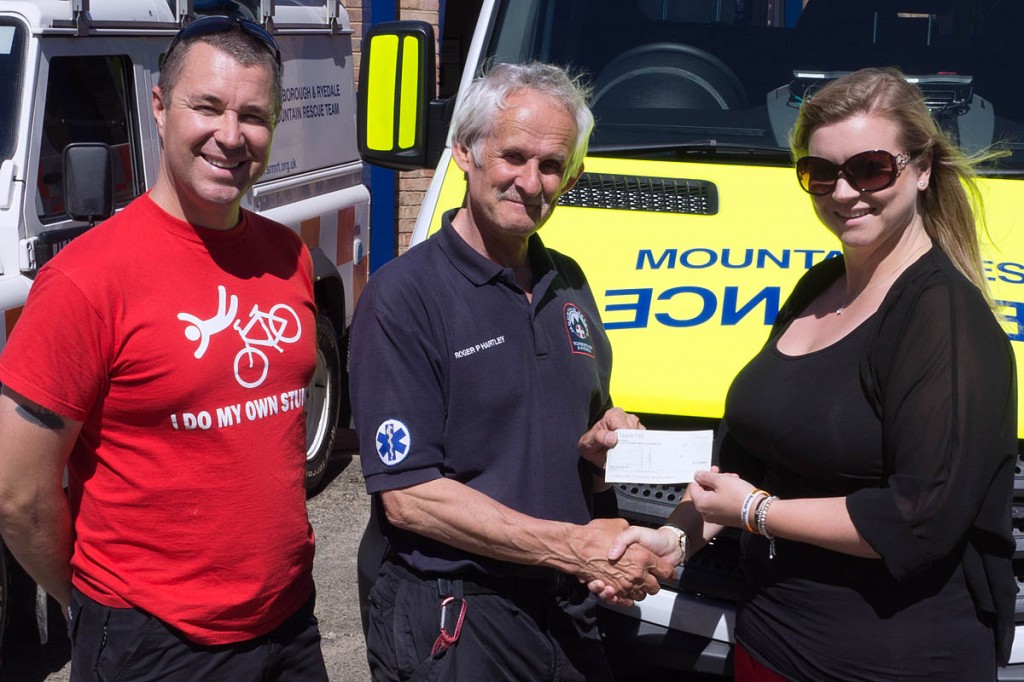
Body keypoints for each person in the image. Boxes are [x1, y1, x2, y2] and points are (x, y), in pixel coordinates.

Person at [598, 66, 1018, 680]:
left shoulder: (945, 318)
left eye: (871, 168)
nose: (844, 192)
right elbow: (745, 463)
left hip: (886, 664)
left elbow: (917, 520)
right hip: (767, 642)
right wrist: (675, 538)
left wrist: (756, 513)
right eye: (821, 173)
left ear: (923, 168)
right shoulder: (819, 286)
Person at [0, 16, 328, 681]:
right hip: (153, 641)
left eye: (253, 116)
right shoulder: (86, 279)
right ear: (159, 106)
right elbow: (17, 494)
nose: (230, 135)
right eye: (207, 107)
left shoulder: (287, 255)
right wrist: (91, 607)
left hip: (289, 621)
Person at [349, 61, 676, 681]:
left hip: (566, 605)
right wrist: (572, 547)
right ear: (465, 153)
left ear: (571, 175)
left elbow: (555, 441)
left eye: (551, 165)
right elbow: (410, 498)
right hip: (458, 614)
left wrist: (597, 451)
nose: (530, 181)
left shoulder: (568, 282)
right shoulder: (405, 296)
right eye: (514, 156)